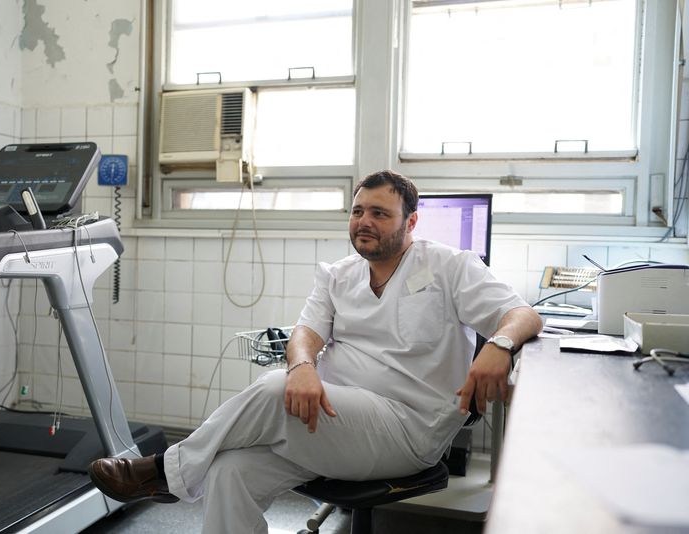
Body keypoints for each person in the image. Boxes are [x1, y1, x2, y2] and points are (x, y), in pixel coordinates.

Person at [89, 170, 543, 534]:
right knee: (231, 472)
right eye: (358, 210)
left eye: (380, 214)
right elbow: (305, 331)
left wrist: (499, 345)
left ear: (411, 222)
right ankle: (175, 473)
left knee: (272, 391)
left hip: (408, 430)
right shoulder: (339, 274)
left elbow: (522, 315)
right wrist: (303, 365)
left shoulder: (449, 266)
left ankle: (164, 473)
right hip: (330, 419)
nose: (364, 221)